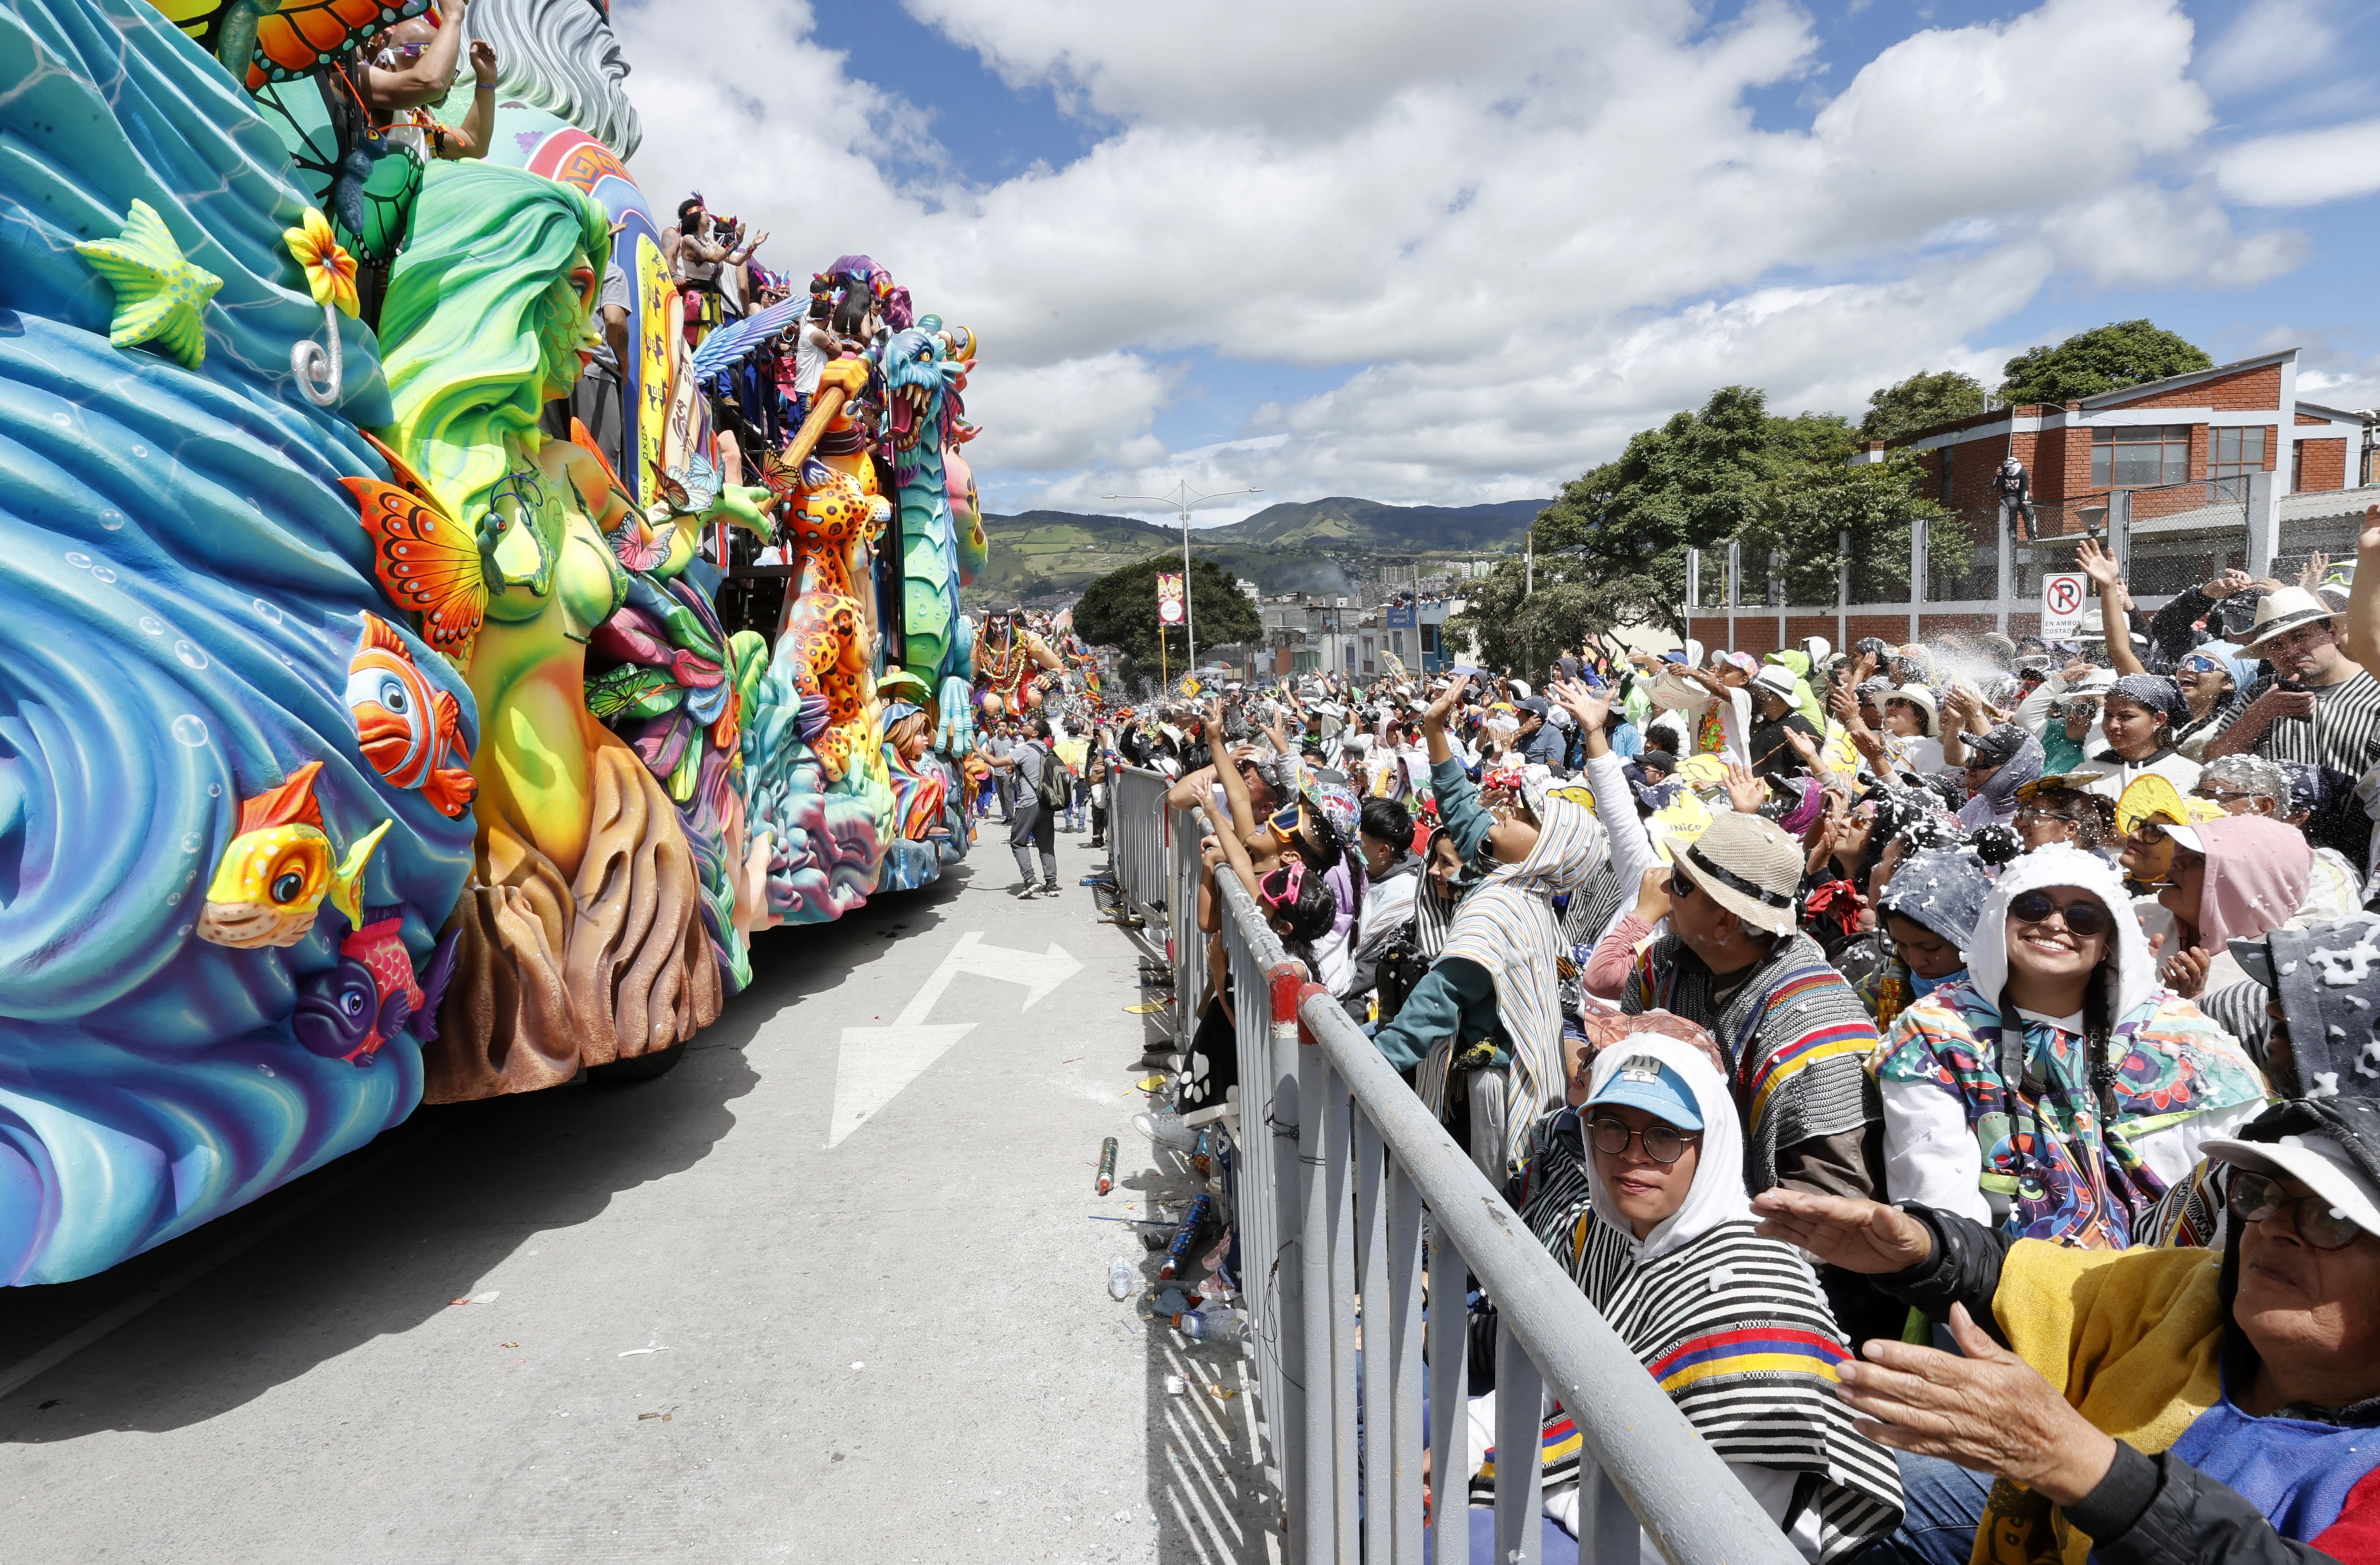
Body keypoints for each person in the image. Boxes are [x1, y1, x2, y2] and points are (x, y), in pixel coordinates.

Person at [1752, 1096, 2380, 1565]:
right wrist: (1921, 1250)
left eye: (2331, 1218)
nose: (2274, 1227)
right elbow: (2043, 1282)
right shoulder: (2190, 1295)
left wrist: (2076, 1461)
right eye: (2262, 1195)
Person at [1460, 1028, 1905, 1562]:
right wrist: (1474, 1435)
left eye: (1665, 1136)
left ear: (1711, 1144)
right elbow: (1560, 1375)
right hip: (1596, 1481)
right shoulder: (1610, 1234)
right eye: (1612, 1129)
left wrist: (1505, 1474)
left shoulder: (1759, 1295)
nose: (1632, 1157)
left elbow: (1720, 1531)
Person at [1871, 845, 2267, 1248]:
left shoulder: (2183, 1038)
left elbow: (2243, 1184)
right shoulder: (1937, 1032)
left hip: (2172, 1288)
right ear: (1999, 916)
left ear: (2111, 939)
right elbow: (1938, 1200)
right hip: (1998, 1282)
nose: (2055, 924)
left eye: (2083, 917)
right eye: (2033, 907)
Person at [1365, 676, 1607, 1179]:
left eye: (1528, 816)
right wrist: (1434, 728)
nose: (1510, 808)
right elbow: (1457, 804)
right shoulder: (1506, 868)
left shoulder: (1501, 907)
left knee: (1496, 1192)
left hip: (1501, 1079)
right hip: (1482, 1066)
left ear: (1545, 850)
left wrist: (1371, 1066)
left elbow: (1437, 998)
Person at [1620, 805, 1886, 1202]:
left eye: (1680, 883)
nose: (1664, 892)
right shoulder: (1663, 963)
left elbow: (1827, 1203)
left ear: (1725, 922)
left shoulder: (1818, 1025)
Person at [2212, 585, 2380, 778]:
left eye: (2301, 636)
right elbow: (2215, 763)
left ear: (2333, 633)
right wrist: (2259, 715)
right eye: (2276, 645)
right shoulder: (2262, 691)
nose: (2291, 652)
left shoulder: (2376, 688)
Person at [1854, 847, 1990, 1035]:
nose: (1915, 962)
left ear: (1970, 937)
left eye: (1930, 948)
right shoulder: (1894, 970)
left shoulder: (1996, 999)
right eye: (1901, 944)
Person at [2082, 675, 2201, 799]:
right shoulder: (2084, 776)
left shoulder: (2191, 775)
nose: (2112, 725)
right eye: (2108, 715)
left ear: (2158, 719)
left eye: (2126, 716)